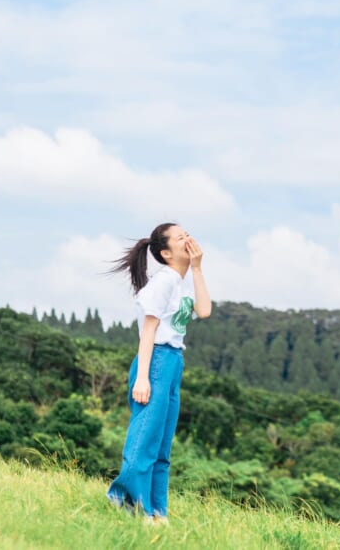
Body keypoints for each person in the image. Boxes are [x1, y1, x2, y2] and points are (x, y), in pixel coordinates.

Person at [105, 222, 212, 523]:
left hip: (174, 362)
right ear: (166, 252)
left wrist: (198, 268)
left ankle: (155, 511)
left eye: (188, 233)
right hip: (155, 361)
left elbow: (204, 311)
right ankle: (124, 498)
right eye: (181, 237)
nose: (188, 238)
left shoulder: (181, 284)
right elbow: (148, 330)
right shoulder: (163, 281)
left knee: (162, 444)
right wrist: (142, 377)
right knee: (145, 436)